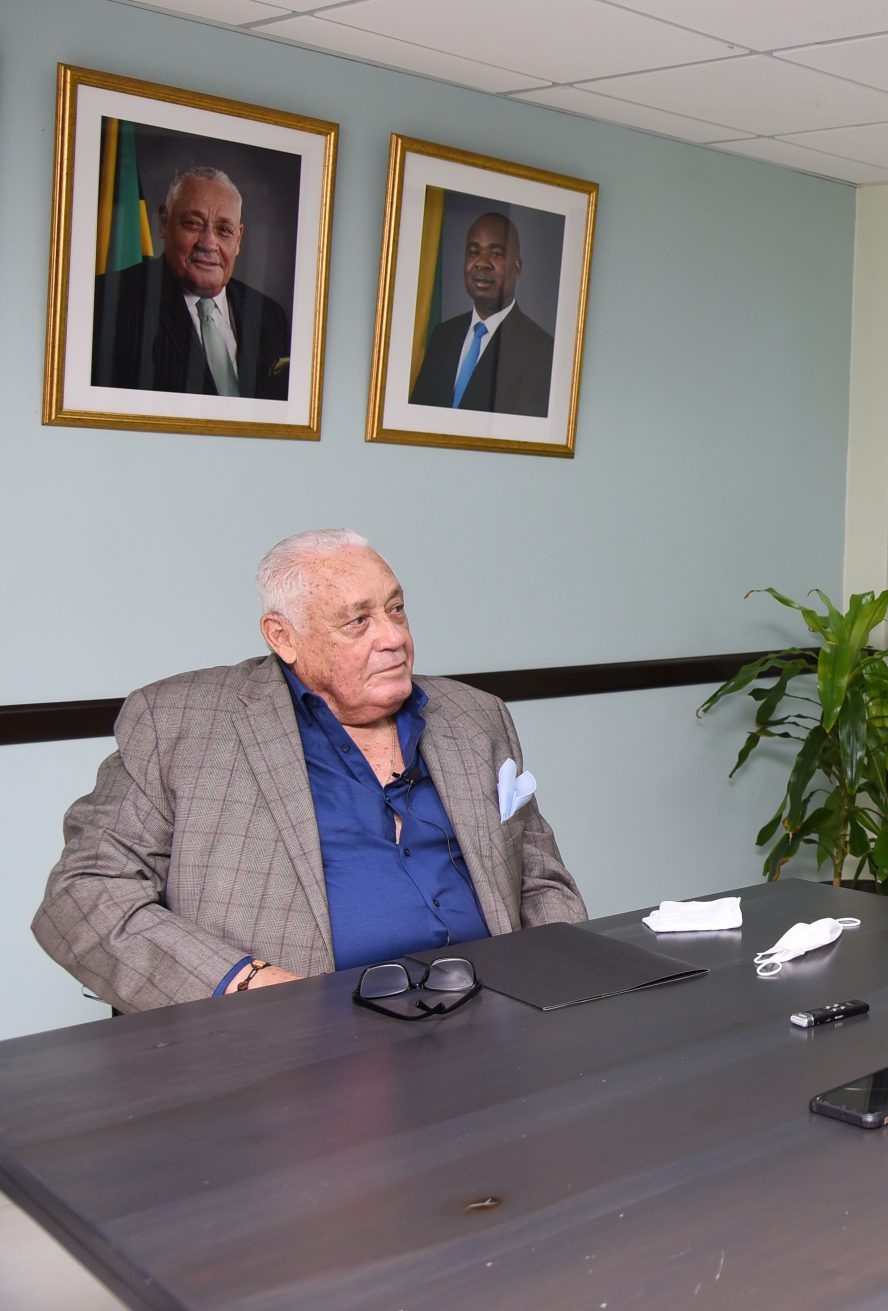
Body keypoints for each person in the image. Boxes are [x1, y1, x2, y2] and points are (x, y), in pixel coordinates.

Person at [34, 530, 586, 1013]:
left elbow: (539, 876)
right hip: (296, 1043)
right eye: (358, 621)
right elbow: (85, 893)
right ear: (283, 637)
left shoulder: (474, 714)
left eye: (396, 610)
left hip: (491, 1015)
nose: (393, 637)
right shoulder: (180, 722)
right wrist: (247, 986)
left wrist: (556, 985)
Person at [90, 166, 291, 400]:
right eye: (193, 224)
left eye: (224, 230)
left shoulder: (270, 315)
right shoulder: (107, 301)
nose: (208, 243)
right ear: (164, 222)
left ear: (238, 239)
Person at [408, 211, 554, 417]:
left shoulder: (541, 351)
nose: (481, 263)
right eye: (474, 252)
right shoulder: (443, 335)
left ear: (516, 268)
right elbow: (414, 419)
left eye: (496, 253)